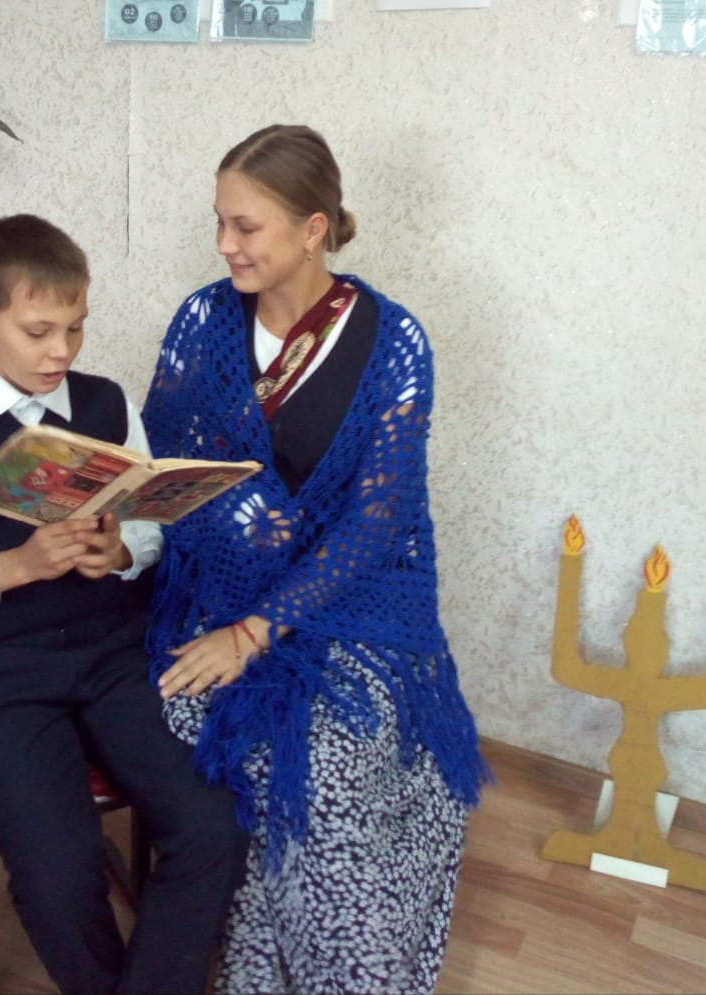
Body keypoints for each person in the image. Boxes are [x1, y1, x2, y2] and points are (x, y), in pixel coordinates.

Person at [143, 125, 489, 995]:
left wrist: (257, 631)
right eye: (219, 222)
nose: (224, 244)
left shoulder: (394, 342)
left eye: (245, 226)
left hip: (351, 606)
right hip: (216, 596)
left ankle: (341, 974)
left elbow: (376, 522)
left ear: (313, 229)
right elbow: (162, 468)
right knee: (245, 744)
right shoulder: (203, 321)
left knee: (343, 758)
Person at [0, 213, 246, 995]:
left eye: (76, 327)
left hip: (114, 654)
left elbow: (147, 529)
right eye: (39, 331)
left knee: (213, 825)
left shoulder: (106, 404)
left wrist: (121, 551)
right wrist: (12, 565)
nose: (62, 352)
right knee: (56, 875)